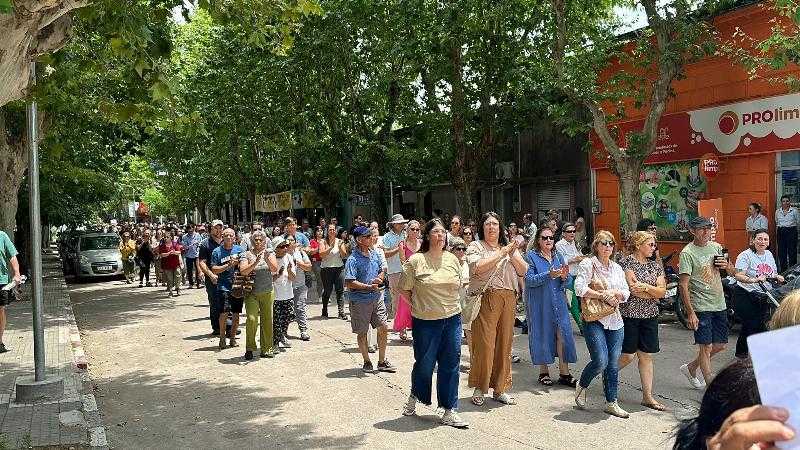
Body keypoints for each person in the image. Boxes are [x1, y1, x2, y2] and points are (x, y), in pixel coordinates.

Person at [399, 219, 467, 428]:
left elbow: (459, 285)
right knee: (425, 365)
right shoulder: (416, 261)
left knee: (450, 364)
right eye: (436, 232)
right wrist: (420, 305)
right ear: (427, 236)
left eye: (443, 232)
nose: (441, 235)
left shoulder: (452, 259)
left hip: (452, 319)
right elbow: (404, 290)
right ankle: (415, 394)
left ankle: (449, 409)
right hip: (426, 322)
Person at [466, 212, 528, 407]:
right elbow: (478, 268)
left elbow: (523, 270)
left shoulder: (508, 247)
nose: (491, 227)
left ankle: (500, 388)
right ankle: (479, 387)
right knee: (485, 343)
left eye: (495, 224)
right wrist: (501, 253)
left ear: (500, 228)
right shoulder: (476, 246)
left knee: (504, 344)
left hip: (509, 297)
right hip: (487, 297)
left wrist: (510, 252)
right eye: (487, 224)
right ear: (482, 228)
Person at [573, 230, 631, 418]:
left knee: (613, 364)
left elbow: (626, 292)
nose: (607, 247)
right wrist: (601, 295)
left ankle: (611, 402)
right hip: (594, 319)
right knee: (601, 361)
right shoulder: (588, 264)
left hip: (615, 320)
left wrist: (615, 295)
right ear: (596, 246)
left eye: (611, 244)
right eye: (604, 243)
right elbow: (579, 288)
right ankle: (582, 384)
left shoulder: (616, 268)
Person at [678, 216, 731, 390]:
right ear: (692, 231)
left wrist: (726, 266)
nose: (706, 232)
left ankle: (692, 368)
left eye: (708, 228)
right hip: (701, 305)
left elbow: (729, 269)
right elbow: (683, 285)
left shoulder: (716, 247)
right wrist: (690, 312)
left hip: (719, 303)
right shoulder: (688, 253)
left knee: (720, 345)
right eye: (702, 229)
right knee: (705, 346)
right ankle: (710, 387)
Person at [618, 231, 667, 411]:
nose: (654, 248)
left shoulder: (655, 266)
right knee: (627, 356)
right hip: (629, 315)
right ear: (639, 245)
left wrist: (646, 287)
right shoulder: (626, 262)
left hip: (650, 315)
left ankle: (647, 396)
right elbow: (633, 289)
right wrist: (652, 291)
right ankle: (608, 374)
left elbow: (662, 292)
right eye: (650, 244)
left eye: (654, 245)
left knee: (646, 356)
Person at [525, 226, 578, 388]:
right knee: (542, 334)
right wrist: (549, 274)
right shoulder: (531, 256)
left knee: (563, 335)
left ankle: (564, 373)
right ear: (538, 240)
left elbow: (568, 281)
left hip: (558, 301)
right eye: (544, 238)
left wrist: (563, 277)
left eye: (551, 238)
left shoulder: (558, 255)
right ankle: (544, 372)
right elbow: (529, 280)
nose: (548, 240)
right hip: (540, 302)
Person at [344, 226, 397, 374]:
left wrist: (380, 277)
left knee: (384, 327)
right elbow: (349, 282)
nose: (371, 238)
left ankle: (381, 361)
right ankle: (367, 361)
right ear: (359, 240)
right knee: (362, 332)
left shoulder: (374, 253)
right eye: (368, 236)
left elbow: (382, 269)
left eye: (372, 235)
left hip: (377, 297)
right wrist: (368, 287)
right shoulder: (353, 259)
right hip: (360, 300)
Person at [731, 229, 783, 359]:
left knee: (750, 326)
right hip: (745, 294)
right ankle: (758, 358)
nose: (762, 241)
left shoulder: (769, 254)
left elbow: (771, 274)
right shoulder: (745, 255)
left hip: (763, 295)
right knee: (756, 326)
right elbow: (738, 275)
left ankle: (741, 354)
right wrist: (754, 279)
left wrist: (777, 277)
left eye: (765, 239)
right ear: (752, 240)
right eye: (759, 238)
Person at [239, 230, 278, 360]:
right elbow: (243, 271)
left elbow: (274, 269)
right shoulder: (246, 254)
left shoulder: (270, 252)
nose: (258, 241)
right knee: (251, 319)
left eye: (261, 239)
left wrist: (266, 258)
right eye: (255, 239)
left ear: (265, 240)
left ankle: (267, 349)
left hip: (267, 291)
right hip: (252, 293)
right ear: (251, 241)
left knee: (267, 320)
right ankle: (250, 347)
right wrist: (255, 263)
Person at [210, 228, 244, 349]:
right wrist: (228, 265)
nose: (229, 237)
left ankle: (233, 338)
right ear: (222, 237)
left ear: (235, 237)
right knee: (224, 313)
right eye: (226, 235)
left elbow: (244, 266)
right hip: (223, 286)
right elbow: (214, 269)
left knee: (236, 314)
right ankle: (222, 338)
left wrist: (239, 264)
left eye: (231, 235)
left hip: (237, 287)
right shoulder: (217, 251)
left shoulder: (240, 250)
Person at [555, 222, 586, 334]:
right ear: (563, 233)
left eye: (574, 231)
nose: (572, 233)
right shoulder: (559, 245)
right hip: (567, 276)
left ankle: (585, 325)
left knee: (581, 301)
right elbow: (561, 261)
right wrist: (575, 259)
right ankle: (582, 327)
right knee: (572, 302)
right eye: (569, 231)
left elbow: (580, 256)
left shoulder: (575, 243)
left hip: (578, 275)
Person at [394, 220, 421, 340]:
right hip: (407, 276)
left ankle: (417, 327)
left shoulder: (422, 243)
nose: (415, 231)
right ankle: (403, 327)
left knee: (418, 303)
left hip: (420, 277)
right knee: (405, 303)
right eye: (412, 229)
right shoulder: (402, 244)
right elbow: (403, 261)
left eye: (417, 229)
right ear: (407, 230)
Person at [380, 214, 409, 321]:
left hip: (406, 269)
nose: (403, 224)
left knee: (408, 296)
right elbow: (385, 254)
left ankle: (407, 322)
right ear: (394, 225)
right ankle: (398, 322)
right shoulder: (387, 237)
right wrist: (399, 248)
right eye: (400, 223)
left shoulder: (406, 235)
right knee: (396, 297)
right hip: (394, 270)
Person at [199, 220, 224, 336]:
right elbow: (202, 262)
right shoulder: (205, 244)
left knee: (227, 302)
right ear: (211, 229)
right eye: (215, 228)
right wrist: (210, 275)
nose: (218, 230)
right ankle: (217, 327)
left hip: (226, 278)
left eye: (220, 228)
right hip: (212, 278)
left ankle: (227, 326)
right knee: (215, 303)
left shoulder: (227, 241)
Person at [271, 236, 296, 351]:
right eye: (282, 246)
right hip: (276, 296)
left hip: (288, 294)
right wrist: (278, 274)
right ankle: (275, 342)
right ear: (276, 248)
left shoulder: (289, 257)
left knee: (288, 318)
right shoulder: (271, 259)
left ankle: (282, 335)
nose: (285, 248)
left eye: (286, 245)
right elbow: (268, 280)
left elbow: (293, 278)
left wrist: (290, 271)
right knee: (276, 321)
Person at [287, 235, 312, 341]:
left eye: (292, 240)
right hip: (286, 287)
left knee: (300, 308)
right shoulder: (282, 253)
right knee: (287, 310)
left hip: (300, 286)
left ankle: (303, 330)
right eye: (287, 240)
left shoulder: (301, 253)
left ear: (295, 242)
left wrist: (299, 263)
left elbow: (309, 267)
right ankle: (283, 332)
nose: (289, 241)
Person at [319, 223, 347, 319]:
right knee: (327, 290)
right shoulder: (323, 241)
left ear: (335, 231)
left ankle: (341, 311)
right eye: (330, 229)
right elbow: (321, 254)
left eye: (333, 229)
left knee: (340, 290)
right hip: (326, 269)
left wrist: (339, 247)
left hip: (339, 268)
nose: (332, 231)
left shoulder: (340, 241)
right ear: (327, 231)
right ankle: (325, 309)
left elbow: (344, 255)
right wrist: (330, 248)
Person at [0, 230, 21, 354]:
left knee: (0, 310)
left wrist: (17, 273)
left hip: (1, 280)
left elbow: (12, 255)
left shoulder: (2, 236)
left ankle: (0, 342)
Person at [775, 195, 798, 272]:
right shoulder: (777, 211)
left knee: (792, 252)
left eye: (787, 201)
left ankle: (793, 271)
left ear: (789, 202)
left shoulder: (794, 211)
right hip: (781, 232)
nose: (785, 203)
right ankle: (783, 272)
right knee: (781, 252)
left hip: (791, 231)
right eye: (783, 201)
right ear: (781, 202)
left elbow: (798, 222)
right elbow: (777, 221)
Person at [158, 230, 183, 297]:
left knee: (178, 276)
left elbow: (179, 252)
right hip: (167, 265)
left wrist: (174, 252)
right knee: (169, 279)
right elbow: (161, 255)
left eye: (167, 237)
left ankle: (177, 288)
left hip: (176, 264)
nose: (166, 238)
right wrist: (168, 253)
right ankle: (171, 291)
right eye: (165, 237)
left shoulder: (175, 244)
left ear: (170, 238)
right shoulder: (162, 246)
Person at [181, 225, 202, 289]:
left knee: (198, 269)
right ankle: (191, 283)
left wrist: (198, 245)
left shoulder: (198, 235)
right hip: (188, 255)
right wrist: (188, 246)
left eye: (191, 229)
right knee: (189, 270)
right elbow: (184, 246)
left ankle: (198, 283)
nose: (190, 231)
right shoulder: (184, 237)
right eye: (189, 229)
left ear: (193, 228)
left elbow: (201, 243)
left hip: (197, 255)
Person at [309, 226, 325, 301]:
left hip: (325, 261)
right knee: (320, 279)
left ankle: (325, 295)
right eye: (318, 231)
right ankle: (320, 295)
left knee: (326, 279)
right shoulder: (312, 241)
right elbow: (311, 252)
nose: (320, 232)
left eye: (321, 231)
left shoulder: (325, 240)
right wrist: (318, 248)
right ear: (315, 232)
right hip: (316, 262)